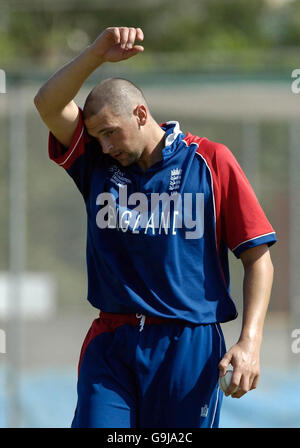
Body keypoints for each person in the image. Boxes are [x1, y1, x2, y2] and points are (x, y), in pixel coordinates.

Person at [34, 26, 276, 428]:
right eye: (97, 137)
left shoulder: (210, 161)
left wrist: (250, 342)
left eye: (111, 132)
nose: (106, 145)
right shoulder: (97, 162)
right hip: (112, 341)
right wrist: (95, 54)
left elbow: (258, 258)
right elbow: (47, 103)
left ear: (141, 114)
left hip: (189, 343)